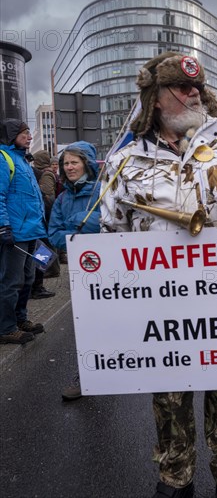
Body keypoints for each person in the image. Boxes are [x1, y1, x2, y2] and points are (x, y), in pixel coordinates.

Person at [99, 52, 217, 498]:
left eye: (197, 88)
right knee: (169, 399)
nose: (193, 94)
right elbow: (111, 233)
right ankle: (175, 478)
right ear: (155, 99)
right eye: (181, 88)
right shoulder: (125, 162)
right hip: (161, 307)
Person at [48, 140, 101, 400]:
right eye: (66, 163)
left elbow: (109, 223)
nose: (69, 167)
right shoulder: (62, 199)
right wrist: (76, 226)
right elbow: (55, 235)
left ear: (86, 164)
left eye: (74, 162)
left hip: (111, 268)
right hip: (82, 271)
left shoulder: (104, 191)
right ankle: (87, 373)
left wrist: (81, 224)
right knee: (87, 324)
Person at [0, 119, 47, 345]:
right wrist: (4, 226)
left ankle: (20, 319)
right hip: (15, 233)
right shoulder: (4, 159)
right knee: (11, 281)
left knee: (28, 278)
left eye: (29, 133)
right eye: (25, 133)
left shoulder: (23, 160)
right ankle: (6, 328)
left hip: (31, 232)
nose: (29, 137)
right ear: (12, 135)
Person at [31, 150, 59, 296]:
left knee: (44, 251)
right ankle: (37, 284)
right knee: (42, 251)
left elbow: (48, 197)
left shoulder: (45, 174)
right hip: (41, 219)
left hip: (45, 218)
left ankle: (39, 283)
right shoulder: (39, 173)